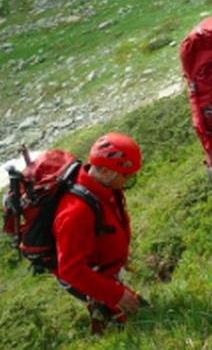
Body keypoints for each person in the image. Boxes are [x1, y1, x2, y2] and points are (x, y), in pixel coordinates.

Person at [53, 132, 143, 334]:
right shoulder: (75, 213)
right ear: (104, 170)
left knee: (138, 314)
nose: (129, 179)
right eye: (126, 175)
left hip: (106, 272)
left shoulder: (105, 188)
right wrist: (116, 295)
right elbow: (71, 271)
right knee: (132, 323)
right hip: (92, 278)